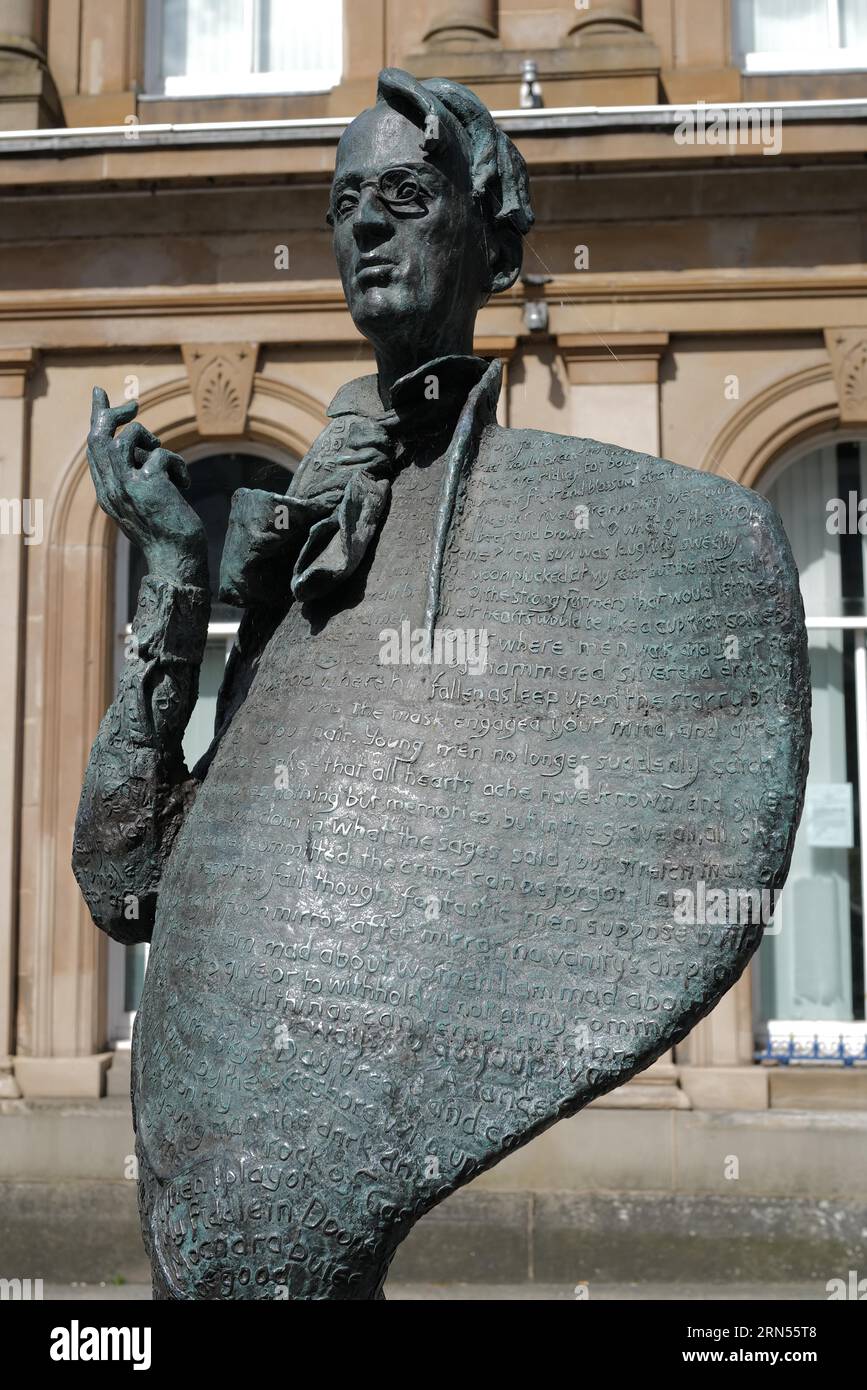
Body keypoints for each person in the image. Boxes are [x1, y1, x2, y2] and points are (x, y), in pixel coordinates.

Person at [73, 69, 807, 1300]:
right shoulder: (309, 537)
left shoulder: (610, 540)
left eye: (405, 194)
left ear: (493, 236)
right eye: (344, 200)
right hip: (194, 1215)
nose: (365, 223)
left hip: (320, 1183)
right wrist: (173, 575)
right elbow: (126, 880)